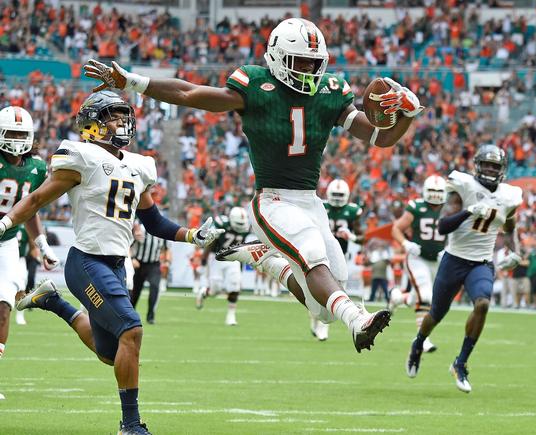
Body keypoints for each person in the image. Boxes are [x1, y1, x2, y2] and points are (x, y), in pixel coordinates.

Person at [84, 17, 423, 352]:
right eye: (300, 62)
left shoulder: (331, 93)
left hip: (309, 200)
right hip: (272, 201)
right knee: (313, 256)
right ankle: (358, 321)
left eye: (314, 63)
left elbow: (381, 138)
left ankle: (267, 259)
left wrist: (408, 112)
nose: (307, 71)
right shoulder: (255, 86)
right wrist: (135, 82)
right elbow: (190, 92)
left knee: (324, 303)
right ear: (277, 56)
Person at [0, 91, 222, 433]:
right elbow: (36, 199)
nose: (122, 123)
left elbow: (154, 222)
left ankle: (54, 302)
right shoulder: (80, 157)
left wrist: (192, 235)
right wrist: (4, 223)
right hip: (87, 260)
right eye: (113, 117)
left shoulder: (138, 164)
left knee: (111, 352)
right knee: (131, 329)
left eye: (124, 117)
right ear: (91, 124)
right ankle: (130, 425)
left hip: (117, 265)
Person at [405, 145, 523, 393]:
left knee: (482, 304)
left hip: (480, 263)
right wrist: (468, 211)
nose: (490, 169)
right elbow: (443, 226)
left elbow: (510, 227)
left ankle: (461, 362)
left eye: (495, 166)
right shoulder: (464, 187)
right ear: (478, 166)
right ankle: (418, 344)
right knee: (435, 315)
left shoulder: (509, 196)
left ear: (503, 170)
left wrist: (516, 251)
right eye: (487, 164)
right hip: (454, 259)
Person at [0, 106, 59, 400]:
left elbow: (31, 208)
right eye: (11, 133)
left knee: (4, 305)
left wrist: (42, 245)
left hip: (8, 242)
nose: (16, 139)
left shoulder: (36, 168)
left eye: (21, 134)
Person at [390, 175, 447, 353]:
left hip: (437, 260)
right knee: (426, 297)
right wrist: (406, 244)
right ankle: (423, 339)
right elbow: (396, 228)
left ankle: (398, 298)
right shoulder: (416, 207)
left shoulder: (450, 209)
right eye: (432, 191)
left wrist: (450, 248)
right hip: (417, 258)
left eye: (439, 191)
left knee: (418, 298)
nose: (436, 195)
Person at [310, 179, 363, 341]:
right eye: (335, 195)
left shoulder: (353, 211)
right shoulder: (320, 207)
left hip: (340, 256)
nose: (338, 198)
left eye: (341, 195)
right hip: (320, 253)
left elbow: (363, 237)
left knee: (335, 289)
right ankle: (315, 320)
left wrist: (352, 236)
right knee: (315, 291)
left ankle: (323, 326)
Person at [198, 207, 252, 326]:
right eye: (239, 223)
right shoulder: (221, 223)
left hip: (234, 259)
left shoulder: (246, 227)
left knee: (235, 286)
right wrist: (203, 260)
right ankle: (204, 292)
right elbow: (210, 244)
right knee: (215, 290)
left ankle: (231, 316)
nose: (241, 226)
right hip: (217, 258)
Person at [130, 225, 170, 324]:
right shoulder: (141, 228)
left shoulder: (162, 232)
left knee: (155, 287)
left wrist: (167, 261)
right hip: (139, 264)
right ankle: (130, 313)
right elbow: (129, 245)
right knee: (135, 291)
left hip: (154, 264)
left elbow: (166, 249)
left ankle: (150, 316)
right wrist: (132, 258)